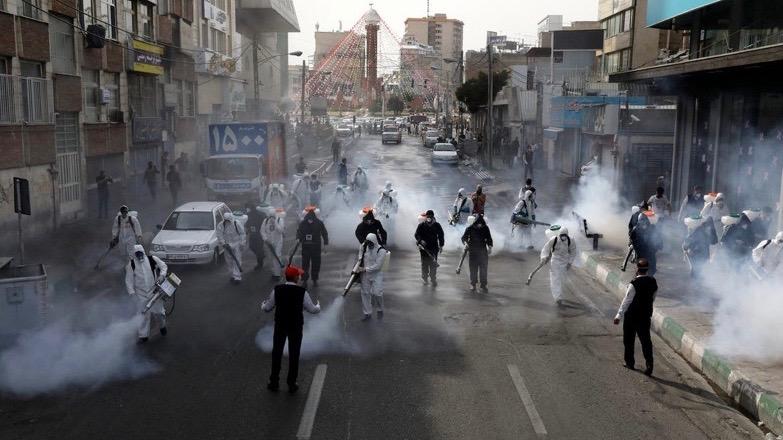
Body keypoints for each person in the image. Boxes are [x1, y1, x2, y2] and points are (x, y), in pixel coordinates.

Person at [262, 265, 321, 393]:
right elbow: (313, 310)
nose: (300, 277)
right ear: (295, 278)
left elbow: (267, 308)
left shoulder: (277, 290)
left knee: (277, 353)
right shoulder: (302, 292)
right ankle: (292, 383)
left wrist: (263, 305)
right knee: (294, 354)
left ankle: (274, 382)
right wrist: (318, 306)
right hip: (295, 326)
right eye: (298, 275)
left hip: (280, 325)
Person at [614, 258, 657, 377]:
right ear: (647, 269)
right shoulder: (653, 282)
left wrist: (618, 315)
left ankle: (630, 363)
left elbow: (626, 301)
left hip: (632, 316)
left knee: (629, 340)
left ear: (637, 269)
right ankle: (649, 364)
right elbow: (653, 298)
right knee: (646, 341)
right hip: (645, 316)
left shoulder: (633, 284)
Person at [125, 244, 168, 343]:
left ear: (143, 252)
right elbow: (129, 281)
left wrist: (161, 276)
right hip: (141, 295)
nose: (139, 256)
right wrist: (132, 294)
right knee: (143, 315)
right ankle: (143, 336)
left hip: (154, 292)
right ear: (134, 255)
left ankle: (162, 326)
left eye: (141, 253)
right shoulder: (131, 265)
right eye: (137, 254)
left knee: (160, 313)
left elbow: (164, 266)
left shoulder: (152, 259)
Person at [540, 225, 576, 305]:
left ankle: (559, 294)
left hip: (565, 261)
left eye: (565, 235)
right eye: (562, 235)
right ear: (559, 235)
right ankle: (557, 297)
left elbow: (573, 252)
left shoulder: (571, 240)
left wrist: (570, 263)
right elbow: (546, 249)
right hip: (555, 261)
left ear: (567, 235)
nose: (563, 237)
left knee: (562, 279)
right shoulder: (554, 239)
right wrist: (544, 257)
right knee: (555, 279)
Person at [358, 233, 389, 321]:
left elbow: (378, 266)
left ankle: (380, 309)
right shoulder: (363, 246)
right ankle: (367, 313)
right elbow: (360, 258)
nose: (369, 245)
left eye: (371, 243)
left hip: (377, 274)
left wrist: (365, 269)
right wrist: (359, 267)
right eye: (368, 243)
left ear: (375, 242)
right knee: (365, 293)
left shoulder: (381, 250)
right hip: (365, 274)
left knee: (377, 293)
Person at [297, 207, 329, 287]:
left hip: (316, 248)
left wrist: (325, 245)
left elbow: (324, 234)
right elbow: (299, 232)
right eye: (309, 220)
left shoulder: (319, 223)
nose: (310, 221)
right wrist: (298, 239)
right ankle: (304, 280)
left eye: (311, 220)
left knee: (316, 264)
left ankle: (315, 279)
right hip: (306, 248)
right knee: (305, 265)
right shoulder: (303, 223)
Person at [461, 214, 493, 292]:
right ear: (475, 222)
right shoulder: (470, 228)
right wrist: (465, 243)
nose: (479, 225)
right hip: (473, 251)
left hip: (483, 251)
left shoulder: (485, 228)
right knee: (473, 269)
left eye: (481, 223)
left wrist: (490, 247)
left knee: (483, 269)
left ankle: (483, 285)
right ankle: (473, 284)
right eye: (478, 223)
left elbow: (489, 238)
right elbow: (464, 237)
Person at [415, 210, 445, 286]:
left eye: (430, 216)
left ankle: (433, 279)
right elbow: (416, 234)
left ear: (433, 216)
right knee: (424, 264)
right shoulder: (421, 225)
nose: (429, 218)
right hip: (424, 248)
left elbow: (441, 235)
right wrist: (420, 240)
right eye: (427, 216)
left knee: (433, 263)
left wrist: (441, 245)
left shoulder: (437, 225)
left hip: (434, 247)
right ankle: (425, 278)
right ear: (426, 217)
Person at [217, 212, 245, 284]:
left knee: (237, 260)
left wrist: (242, 243)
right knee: (229, 261)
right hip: (227, 245)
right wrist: (223, 243)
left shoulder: (236, 223)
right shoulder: (221, 225)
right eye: (226, 220)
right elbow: (219, 235)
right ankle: (233, 275)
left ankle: (237, 277)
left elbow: (242, 233)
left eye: (228, 220)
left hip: (236, 244)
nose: (227, 221)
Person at [261, 208, 286, 279]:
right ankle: (274, 271)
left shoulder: (280, 220)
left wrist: (275, 222)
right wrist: (265, 239)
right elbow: (262, 231)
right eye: (270, 216)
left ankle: (277, 274)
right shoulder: (265, 221)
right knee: (270, 258)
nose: (271, 217)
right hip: (269, 243)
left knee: (277, 256)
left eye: (273, 215)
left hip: (277, 241)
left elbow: (281, 230)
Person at [245, 202, 269, 271]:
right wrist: (248, 230)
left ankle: (260, 263)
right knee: (251, 246)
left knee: (259, 248)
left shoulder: (260, 215)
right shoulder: (249, 215)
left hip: (259, 234)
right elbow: (248, 223)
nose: (247, 209)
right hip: (252, 234)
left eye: (247, 208)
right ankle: (262, 255)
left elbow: (265, 223)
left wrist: (264, 232)